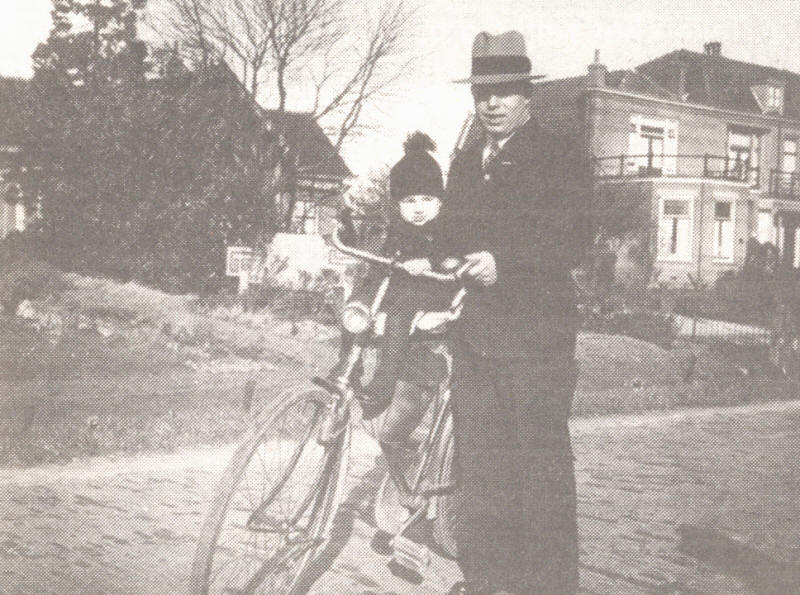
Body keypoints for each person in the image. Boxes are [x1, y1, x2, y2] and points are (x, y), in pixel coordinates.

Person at [441, 31, 592, 594]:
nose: (492, 103)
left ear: (528, 95)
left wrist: (503, 263)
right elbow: (450, 231)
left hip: (537, 340)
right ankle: (487, 582)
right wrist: (445, 257)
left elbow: (573, 240)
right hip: (475, 338)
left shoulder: (559, 155)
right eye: (482, 91)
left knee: (539, 468)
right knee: (480, 469)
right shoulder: (465, 161)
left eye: (504, 91)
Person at [331, 132, 453, 448]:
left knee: (400, 311)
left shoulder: (446, 228)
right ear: (397, 204)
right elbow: (375, 250)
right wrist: (348, 230)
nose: (418, 209)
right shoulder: (396, 229)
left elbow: (454, 254)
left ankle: (384, 382)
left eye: (426, 200)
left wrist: (430, 261)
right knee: (357, 302)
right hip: (397, 285)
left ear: (440, 201)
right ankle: (349, 364)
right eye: (409, 201)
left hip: (432, 291)